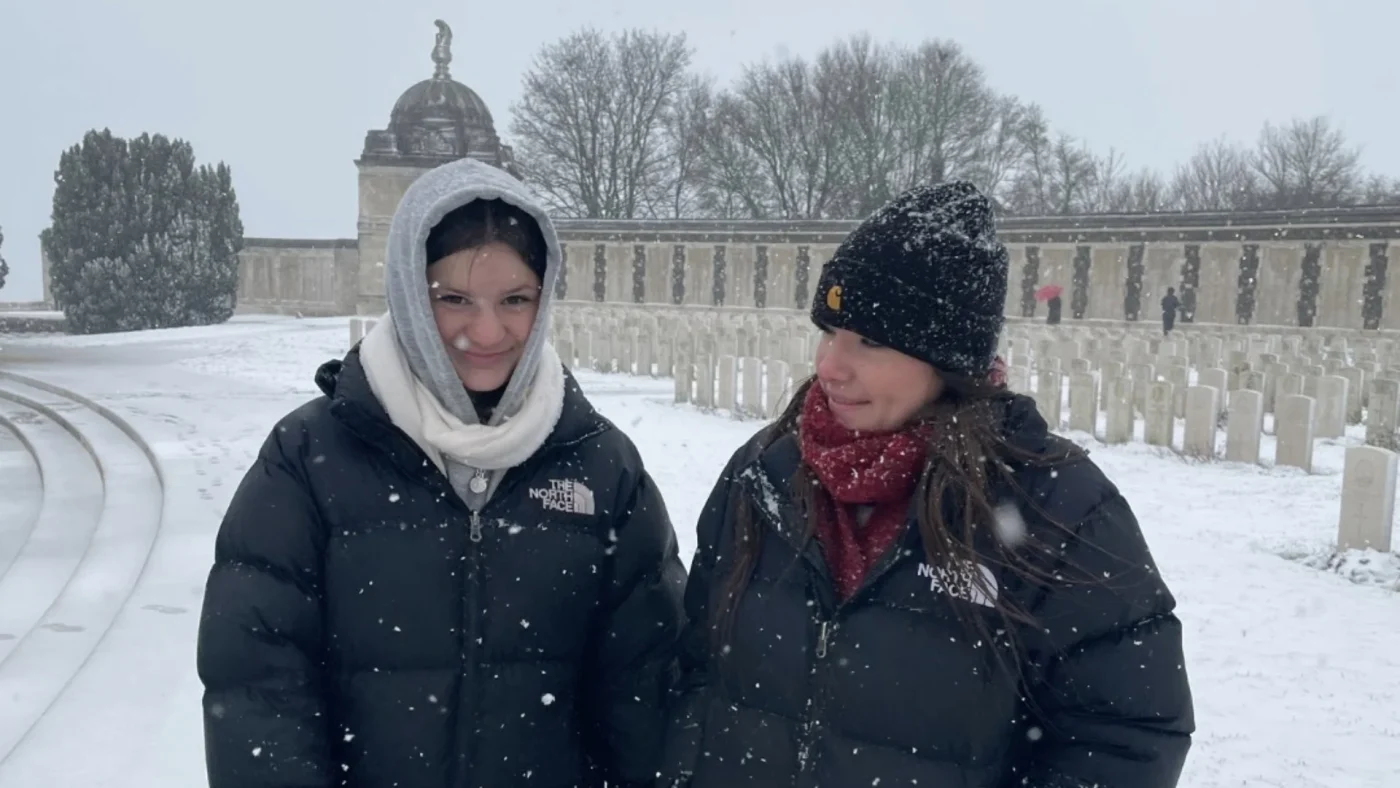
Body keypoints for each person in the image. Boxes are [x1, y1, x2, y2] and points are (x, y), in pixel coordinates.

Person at [660, 181, 1194, 788]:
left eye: (869, 339)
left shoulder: (1057, 508)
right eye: (829, 331)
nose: (830, 365)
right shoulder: (766, 473)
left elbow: (1124, 736)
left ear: (946, 357)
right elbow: (698, 668)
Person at [197, 158, 686, 788]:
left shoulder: (600, 466)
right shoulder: (310, 458)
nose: (486, 331)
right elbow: (258, 691)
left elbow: (643, 690)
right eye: (453, 299)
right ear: (407, 289)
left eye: (515, 299)